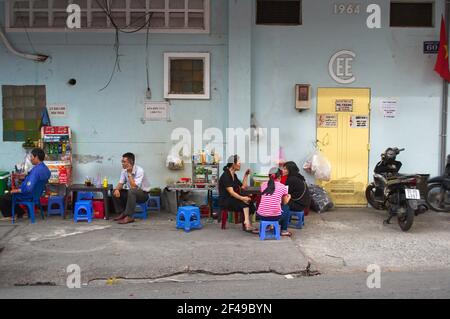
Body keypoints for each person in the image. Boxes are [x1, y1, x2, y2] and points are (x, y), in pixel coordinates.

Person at [0, 148, 50, 218]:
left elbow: (28, 188)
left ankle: (10, 215)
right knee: (9, 196)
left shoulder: (36, 171)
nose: (30, 158)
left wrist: (17, 190)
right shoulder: (45, 169)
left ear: (36, 157)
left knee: (3, 198)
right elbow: (35, 179)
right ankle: (20, 213)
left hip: (28, 195)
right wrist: (24, 177)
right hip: (37, 194)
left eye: (31, 156)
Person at [218, 155, 256, 233]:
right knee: (244, 202)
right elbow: (231, 192)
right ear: (233, 164)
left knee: (250, 203)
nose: (240, 164)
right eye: (238, 163)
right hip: (226, 201)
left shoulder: (234, 175)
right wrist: (243, 198)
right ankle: (247, 224)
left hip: (232, 199)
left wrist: (246, 175)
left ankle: (247, 222)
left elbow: (243, 187)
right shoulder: (226, 175)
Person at [112, 153, 151, 224]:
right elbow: (121, 183)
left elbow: (134, 187)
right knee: (114, 191)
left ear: (131, 162)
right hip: (131, 193)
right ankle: (123, 213)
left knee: (132, 191)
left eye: (124, 161)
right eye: (122, 161)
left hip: (143, 195)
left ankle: (129, 216)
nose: (122, 163)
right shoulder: (123, 170)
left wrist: (129, 173)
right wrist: (117, 189)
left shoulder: (140, 170)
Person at [257, 167, 292, 236]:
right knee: (286, 207)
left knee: (270, 207)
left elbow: (268, 197)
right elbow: (284, 202)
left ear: (269, 176)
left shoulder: (263, 185)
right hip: (275, 217)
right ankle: (283, 230)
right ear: (280, 176)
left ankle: (268, 226)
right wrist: (289, 197)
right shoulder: (283, 187)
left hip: (261, 215)